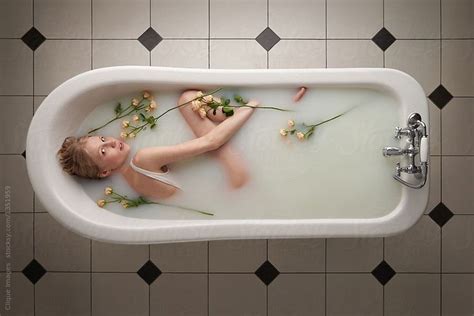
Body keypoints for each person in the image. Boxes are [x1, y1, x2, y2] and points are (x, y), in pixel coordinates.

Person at [57, 90, 259, 201]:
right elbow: (211, 142)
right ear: (104, 172)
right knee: (190, 100)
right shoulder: (142, 159)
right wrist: (252, 106)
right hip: (235, 174)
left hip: (224, 177)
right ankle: (242, 110)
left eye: (102, 139)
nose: (111, 142)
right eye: (103, 151)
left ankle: (235, 114)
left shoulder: (128, 179)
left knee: (187, 99)